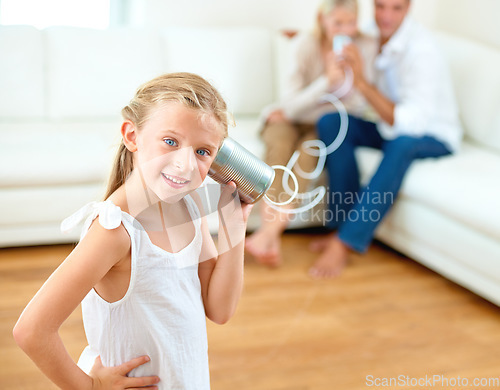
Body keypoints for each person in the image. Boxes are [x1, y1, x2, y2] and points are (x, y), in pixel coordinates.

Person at [13, 72, 253, 389]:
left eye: (202, 151)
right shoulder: (115, 231)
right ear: (132, 135)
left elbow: (220, 309)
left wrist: (234, 227)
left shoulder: (189, 208)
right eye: (170, 141)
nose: (185, 163)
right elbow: (31, 330)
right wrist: (91, 386)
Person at [310, 0, 462, 278]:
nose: (386, 16)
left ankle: (346, 241)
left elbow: (410, 123)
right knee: (332, 122)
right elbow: (333, 36)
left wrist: (362, 83)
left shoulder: (422, 50)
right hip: (389, 127)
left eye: (396, 8)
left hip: (432, 134)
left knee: (401, 143)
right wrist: (304, 40)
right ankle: (339, 227)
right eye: (380, 7)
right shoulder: (369, 35)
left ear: (409, 8)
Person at [245, 0, 378, 267]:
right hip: (286, 121)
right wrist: (327, 82)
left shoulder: (365, 47)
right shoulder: (305, 44)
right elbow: (288, 104)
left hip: (320, 125)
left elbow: (354, 106)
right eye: (337, 23)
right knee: (280, 150)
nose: (345, 30)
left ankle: (268, 235)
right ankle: (269, 238)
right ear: (322, 19)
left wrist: (304, 108)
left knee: (307, 158)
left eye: (350, 23)